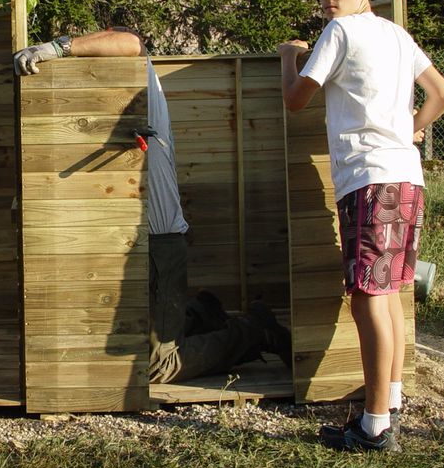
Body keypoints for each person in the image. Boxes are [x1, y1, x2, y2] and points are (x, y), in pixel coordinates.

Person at [15, 29, 291, 384]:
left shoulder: (140, 73)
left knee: (157, 365)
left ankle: (256, 332)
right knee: (130, 335)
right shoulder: (124, 105)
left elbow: (130, 41)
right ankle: (202, 315)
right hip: (132, 241)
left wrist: (57, 48)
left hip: (160, 244)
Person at [278, 0, 444, 452]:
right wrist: (412, 129)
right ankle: (389, 400)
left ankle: (375, 425)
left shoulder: (340, 31)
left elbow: (295, 100)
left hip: (370, 179)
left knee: (366, 295)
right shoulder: (398, 35)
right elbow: (442, 94)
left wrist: (290, 57)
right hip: (406, 176)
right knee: (389, 290)